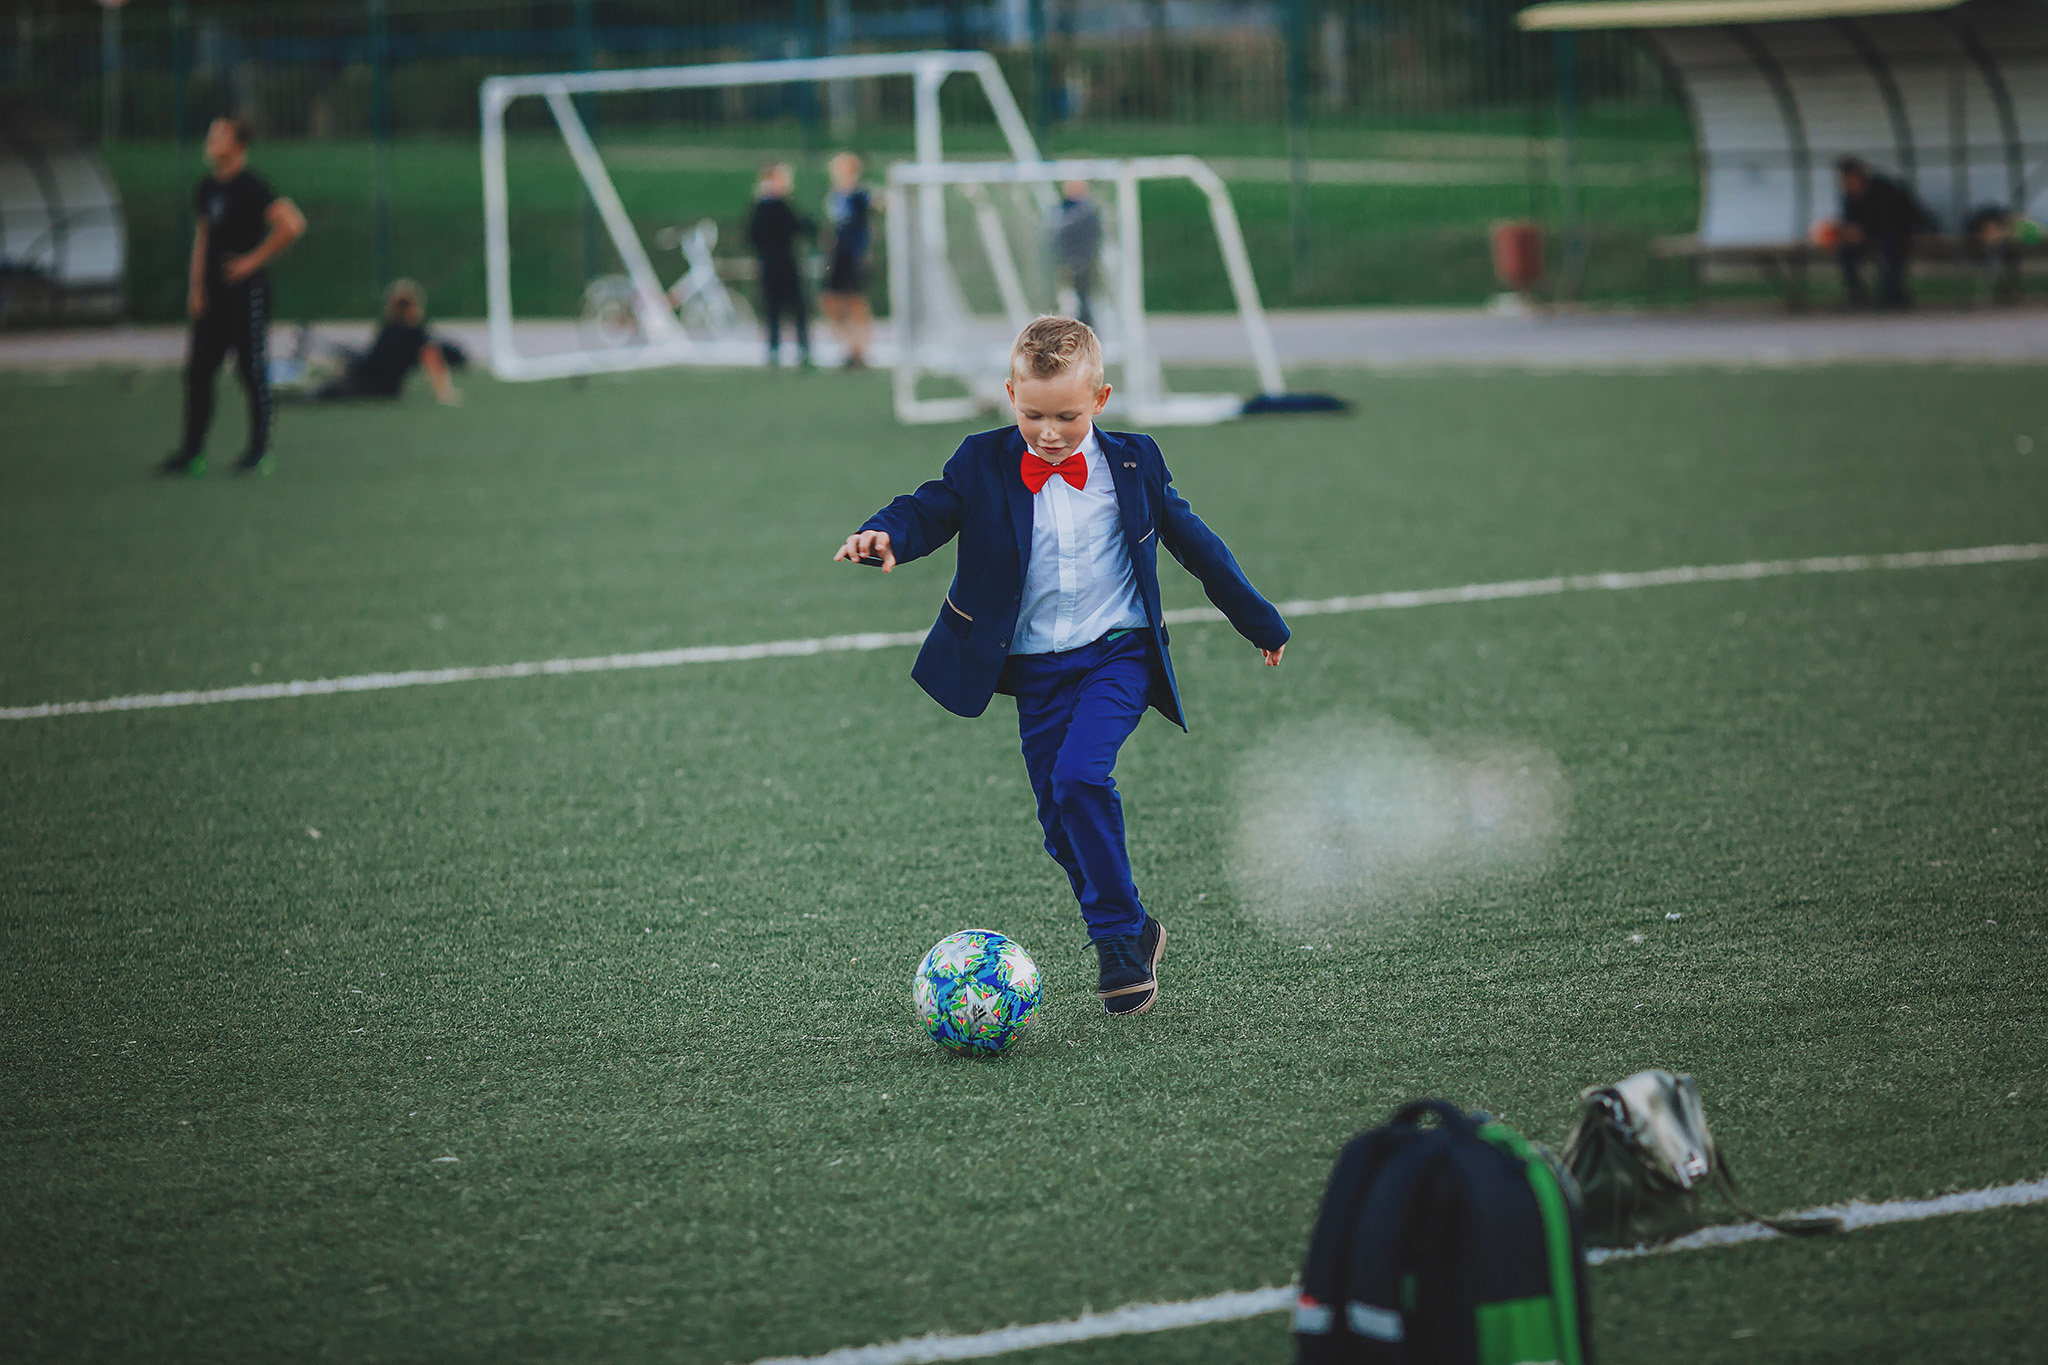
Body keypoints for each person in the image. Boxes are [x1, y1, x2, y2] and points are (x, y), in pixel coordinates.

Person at [834, 316, 1289, 1017]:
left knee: (1080, 776)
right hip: (1036, 671)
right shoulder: (981, 460)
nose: (1048, 433)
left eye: (1067, 417)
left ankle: (1115, 942)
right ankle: (1136, 924)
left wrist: (1258, 619)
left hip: (1118, 655)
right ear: (1010, 395)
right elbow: (929, 508)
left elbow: (1195, 543)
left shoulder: (1134, 462)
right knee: (1058, 820)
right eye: (1033, 415)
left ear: (1100, 400)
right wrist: (884, 534)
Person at [157, 116, 306, 478]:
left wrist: (252, 261)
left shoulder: (252, 187)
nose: (211, 141)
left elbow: (292, 224)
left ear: (238, 145)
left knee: (251, 371)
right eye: (211, 135)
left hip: (246, 294)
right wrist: (196, 288)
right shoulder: (207, 188)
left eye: (220, 136)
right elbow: (204, 237)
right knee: (198, 373)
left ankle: (259, 452)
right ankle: (192, 452)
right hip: (212, 296)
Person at [309, 279, 460, 404]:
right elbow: (432, 360)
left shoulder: (389, 329)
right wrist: (444, 392)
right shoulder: (416, 332)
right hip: (384, 388)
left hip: (368, 383)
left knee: (324, 392)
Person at [1835, 156, 1929, 310]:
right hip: (1870, 236)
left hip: (1898, 231)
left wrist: (1864, 230)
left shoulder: (1882, 189)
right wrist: (1851, 231)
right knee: (1845, 251)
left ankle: (1892, 294)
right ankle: (1857, 294)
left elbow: (1893, 218)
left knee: (1890, 245)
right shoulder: (1849, 196)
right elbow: (1851, 221)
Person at [746, 161, 813, 367]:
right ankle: (785, 347)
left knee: (787, 307)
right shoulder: (771, 205)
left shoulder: (767, 205)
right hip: (778, 262)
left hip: (775, 261)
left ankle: (792, 348)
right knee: (782, 307)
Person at [821, 152, 876, 370]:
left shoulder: (860, 195)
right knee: (832, 301)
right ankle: (849, 345)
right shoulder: (835, 195)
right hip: (838, 254)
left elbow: (871, 217)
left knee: (855, 301)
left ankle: (859, 348)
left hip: (854, 254)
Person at [1052, 181, 1103, 329]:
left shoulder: (1086, 212)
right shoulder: (1063, 209)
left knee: (1082, 297)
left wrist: (1081, 258)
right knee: (1068, 296)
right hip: (1066, 260)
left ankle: (1084, 327)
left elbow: (1091, 238)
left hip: (1081, 262)